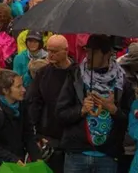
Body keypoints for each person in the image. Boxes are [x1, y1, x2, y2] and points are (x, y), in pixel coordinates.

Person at [55, 34, 130, 173]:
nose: (88, 56)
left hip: (108, 155)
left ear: (107, 54)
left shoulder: (122, 81)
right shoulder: (76, 76)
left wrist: (113, 110)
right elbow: (60, 114)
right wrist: (81, 110)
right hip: (77, 153)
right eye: (87, 51)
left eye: (93, 52)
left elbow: (129, 120)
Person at [25, 35, 75, 173]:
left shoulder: (76, 73)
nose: (50, 55)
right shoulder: (43, 73)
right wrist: (35, 134)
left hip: (72, 134)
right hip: (48, 134)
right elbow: (34, 103)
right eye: (49, 50)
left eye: (55, 51)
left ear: (66, 50)